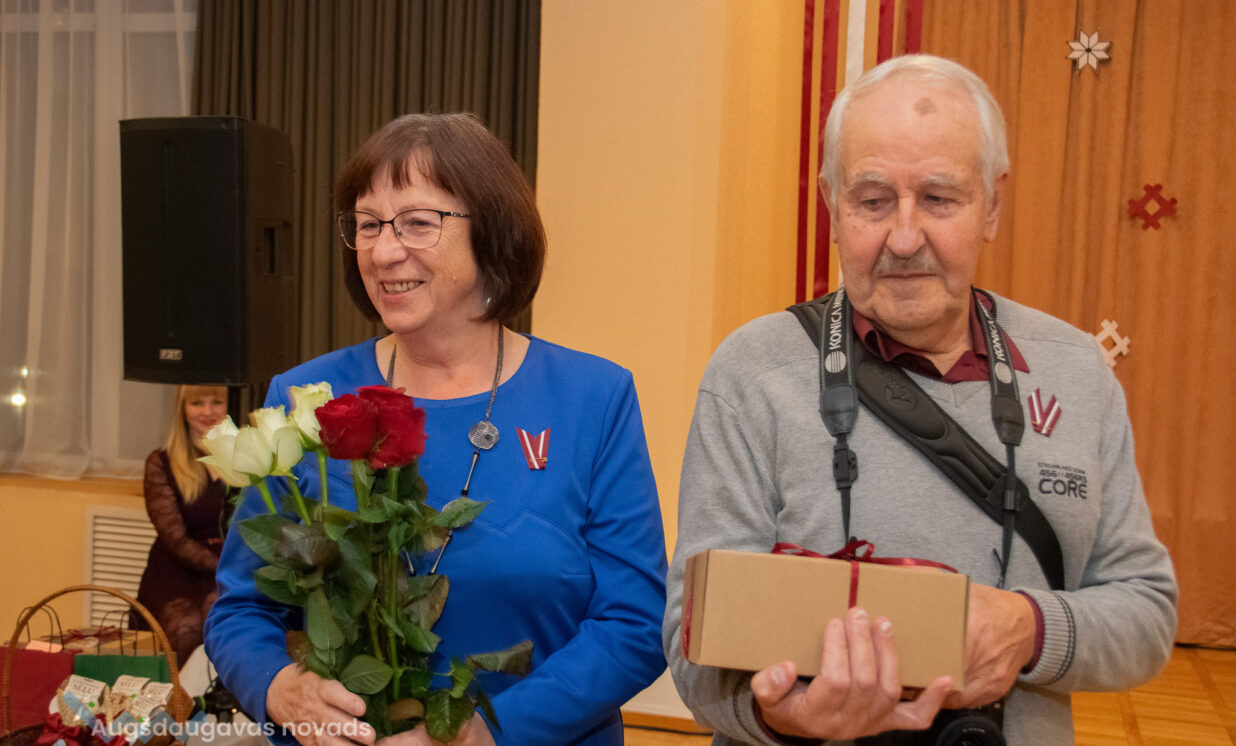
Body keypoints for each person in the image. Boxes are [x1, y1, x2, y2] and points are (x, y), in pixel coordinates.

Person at [663, 54, 1177, 745]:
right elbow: (691, 645)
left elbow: (1147, 613)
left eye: (939, 199)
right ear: (832, 206)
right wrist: (779, 716)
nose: (905, 239)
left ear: (993, 205)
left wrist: (1028, 630)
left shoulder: (1077, 370)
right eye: (873, 201)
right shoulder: (751, 373)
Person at [204, 113, 667, 746]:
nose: (382, 251)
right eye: (368, 224)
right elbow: (240, 609)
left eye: (418, 222)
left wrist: (490, 734)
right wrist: (280, 687)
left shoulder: (593, 398)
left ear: (492, 232)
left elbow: (634, 624)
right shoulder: (308, 398)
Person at [135, 384, 230, 665]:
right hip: (177, 574)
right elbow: (175, 539)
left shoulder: (244, 459)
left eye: (216, 402)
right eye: (197, 403)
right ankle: (179, 694)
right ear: (182, 409)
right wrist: (226, 565)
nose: (208, 411)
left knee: (223, 618)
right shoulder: (160, 463)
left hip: (228, 571)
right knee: (186, 626)